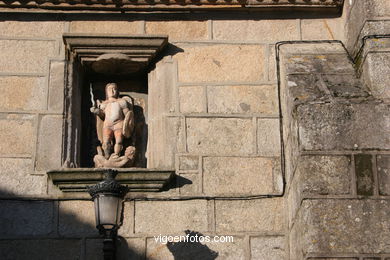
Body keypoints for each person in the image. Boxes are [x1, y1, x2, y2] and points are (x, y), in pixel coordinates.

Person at [90, 83, 134, 159]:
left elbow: (127, 115)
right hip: (107, 124)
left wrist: (128, 123)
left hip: (119, 123)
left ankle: (116, 155)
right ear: (106, 91)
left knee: (119, 141)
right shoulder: (104, 104)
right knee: (106, 141)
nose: (112, 91)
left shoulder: (122, 102)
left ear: (117, 91)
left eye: (114, 89)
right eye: (110, 89)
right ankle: (107, 156)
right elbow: (103, 115)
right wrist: (97, 111)